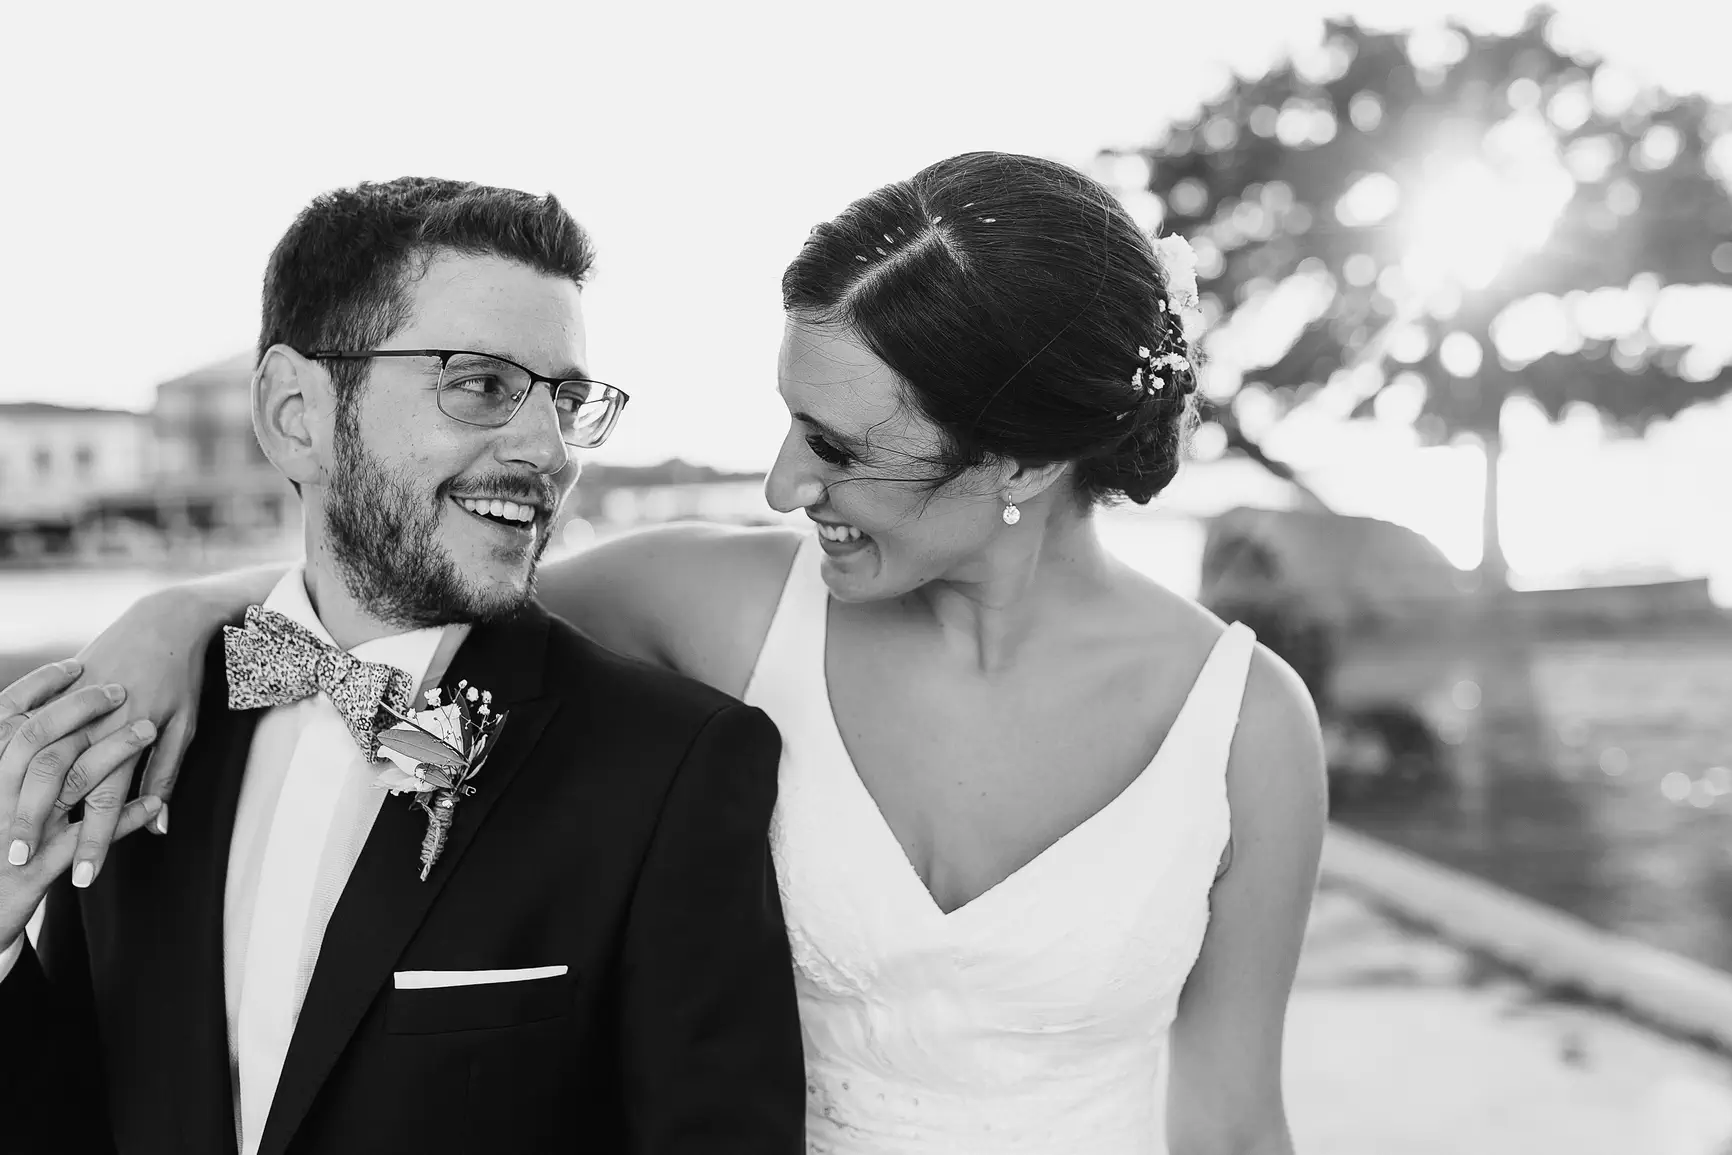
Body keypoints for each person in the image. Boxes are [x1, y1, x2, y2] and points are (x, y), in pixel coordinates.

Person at [7, 152, 1326, 1153]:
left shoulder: (1244, 724)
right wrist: (175, 617)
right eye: (790, 422)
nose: (781, 485)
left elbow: (1231, 1120)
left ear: (1023, 461)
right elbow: (401, 602)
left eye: (840, 448)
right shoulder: (716, 602)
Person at [0, 177, 805, 1155]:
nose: (548, 451)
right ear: (296, 413)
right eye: (481, 385)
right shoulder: (144, 728)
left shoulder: (668, 768)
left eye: (565, 400)